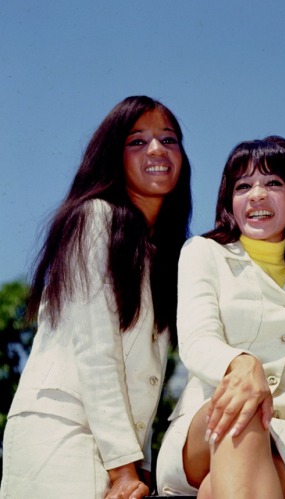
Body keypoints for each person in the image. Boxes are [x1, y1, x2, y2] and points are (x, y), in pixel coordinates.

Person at [0, 96, 192, 499]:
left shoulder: (166, 254)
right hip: (62, 433)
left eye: (169, 139)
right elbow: (95, 349)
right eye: (137, 141)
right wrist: (125, 470)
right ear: (112, 157)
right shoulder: (93, 218)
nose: (157, 150)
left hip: (116, 454)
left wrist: (136, 466)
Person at [156, 136, 285, 498]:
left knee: (214, 491)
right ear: (229, 201)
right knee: (242, 406)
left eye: (273, 183)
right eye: (243, 186)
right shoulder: (205, 253)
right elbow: (197, 339)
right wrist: (242, 365)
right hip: (207, 424)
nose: (257, 195)